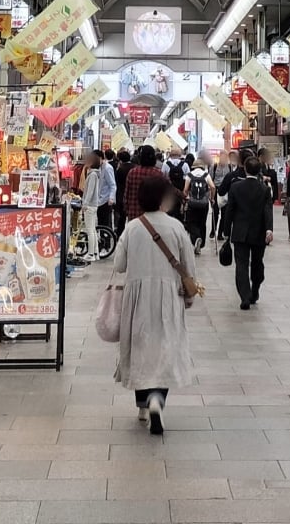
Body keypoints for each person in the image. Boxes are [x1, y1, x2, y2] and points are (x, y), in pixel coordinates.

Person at [114, 175, 196, 436]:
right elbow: (188, 266)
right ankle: (157, 401)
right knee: (165, 348)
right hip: (168, 296)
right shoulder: (175, 227)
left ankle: (141, 405)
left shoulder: (132, 228)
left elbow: (119, 265)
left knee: (141, 348)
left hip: (137, 298)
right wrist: (189, 295)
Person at [224, 153, 275, 309]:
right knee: (257, 262)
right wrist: (269, 229)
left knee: (241, 264)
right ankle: (255, 289)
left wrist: (227, 230)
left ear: (245, 169)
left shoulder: (235, 187)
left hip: (240, 231)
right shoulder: (264, 189)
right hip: (259, 232)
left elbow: (230, 210)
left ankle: (244, 296)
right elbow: (268, 210)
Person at [79, 148, 115, 262]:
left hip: (92, 204)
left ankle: (91, 253)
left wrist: (84, 204)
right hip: (96, 203)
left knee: (90, 230)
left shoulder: (94, 174)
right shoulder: (95, 173)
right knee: (93, 230)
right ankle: (95, 252)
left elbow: (89, 191)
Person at [123, 144, 167, 222]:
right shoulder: (158, 173)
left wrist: (127, 209)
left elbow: (127, 194)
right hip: (153, 217)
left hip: (134, 214)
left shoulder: (132, 172)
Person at [183, 165, 213, 252]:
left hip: (192, 203)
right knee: (202, 223)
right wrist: (212, 198)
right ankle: (201, 243)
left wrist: (186, 198)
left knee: (191, 222)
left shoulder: (189, 175)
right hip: (204, 204)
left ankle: (196, 238)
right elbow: (213, 187)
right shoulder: (206, 175)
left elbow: (185, 190)